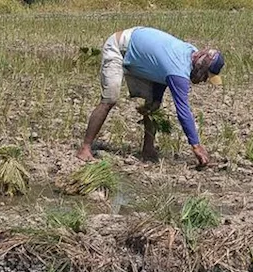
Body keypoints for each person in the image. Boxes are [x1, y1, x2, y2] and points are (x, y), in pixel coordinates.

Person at [76, 27, 224, 168]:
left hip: (138, 52)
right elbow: (183, 110)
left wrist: (157, 99)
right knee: (110, 99)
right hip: (119, 47)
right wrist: (196, 145)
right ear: (202, 66)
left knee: (153, 105)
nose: (204, 80)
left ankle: (148, 149)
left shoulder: (192, 53)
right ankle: (85, 148)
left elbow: (161, 71)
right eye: (206, 75)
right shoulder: (179, 69)